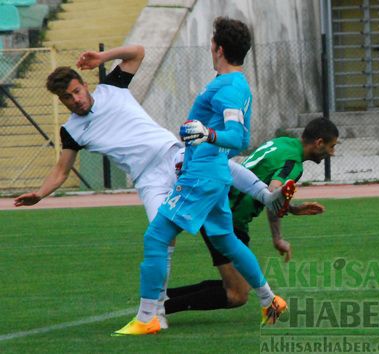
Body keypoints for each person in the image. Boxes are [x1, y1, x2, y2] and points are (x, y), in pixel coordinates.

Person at [14, 44, 291, 329]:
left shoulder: (112, 88)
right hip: (148, 181)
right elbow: (61, 171)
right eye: (67, 98)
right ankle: (160, 312)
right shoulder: (71, 130)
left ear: (85, 85)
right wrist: (40, 193)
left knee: (209, 175)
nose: (75, 100)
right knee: (167, 239)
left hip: (170, 154)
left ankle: (264, 194)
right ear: (61, 101)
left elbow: (137, 52)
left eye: (76, 91)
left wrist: (102, 57)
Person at [114, 17, 286, 336]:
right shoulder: (235, 83)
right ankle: (270, 301)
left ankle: (147, 317)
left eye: (211, 42)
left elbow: (238, 137)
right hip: (212, 173)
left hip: (202, 177)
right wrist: (204, 134)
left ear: (218, 48)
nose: (209, 46)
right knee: (226, 240)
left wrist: (206, 134)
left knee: (156, 237)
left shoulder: (228, 87)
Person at [164, 117, 338, 315]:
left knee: (239, 284)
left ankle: (165, 297)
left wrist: (291, 210)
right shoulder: (293, 163)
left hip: (219, 204)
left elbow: (266, 188)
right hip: (227, 217)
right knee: (237, 294)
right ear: (319, 143)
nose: (332, 153)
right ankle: (160, 307)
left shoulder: (282, 142)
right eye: (331, 147)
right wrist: (278, 236)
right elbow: (274, 192)